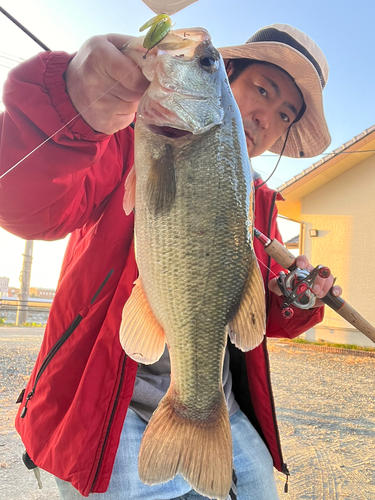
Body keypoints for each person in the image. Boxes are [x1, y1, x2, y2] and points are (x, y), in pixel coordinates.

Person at [0, 23, 341, 500]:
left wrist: (297, 299)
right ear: (227, 82)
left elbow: (251, 319)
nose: (267, 117)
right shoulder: (120, 138)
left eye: (285, 114)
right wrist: (73, 108)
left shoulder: (261, 203)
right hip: (104, 416)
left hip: (215, 406)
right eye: (261, 89)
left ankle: (196, 411)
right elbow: (24, 205)